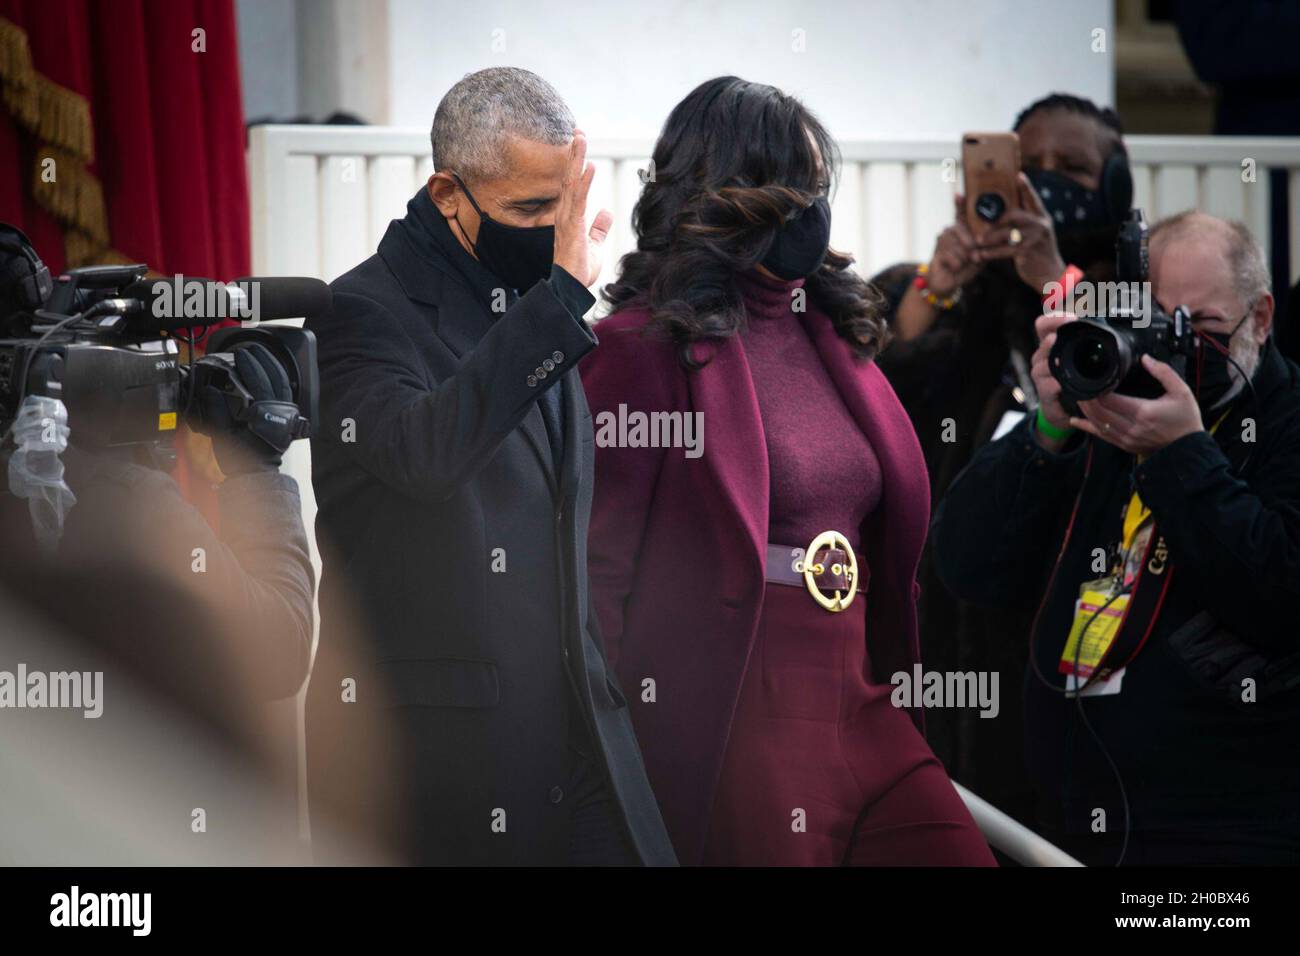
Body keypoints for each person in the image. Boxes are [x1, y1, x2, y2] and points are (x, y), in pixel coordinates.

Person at [580, 76, 995, 866]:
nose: (806, 207)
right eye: (786, 184)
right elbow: (597, 575)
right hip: (739, 709)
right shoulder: (639, 345)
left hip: (864, 692)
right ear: (720, 192)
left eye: (814, 185)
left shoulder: (837, 328)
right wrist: (605, 764)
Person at [304, 67, 675, 866]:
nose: (554, 232)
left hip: (582, 753)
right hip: (447, 770)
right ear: (447, 196)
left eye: (564, 204)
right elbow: (424, 453)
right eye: (531, 210)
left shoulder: (533, 301)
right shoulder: (359, 312)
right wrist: (560, 302)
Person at [931, 212, 1300, 865]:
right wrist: (1047, 427)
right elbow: (965, 566)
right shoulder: (1099, 403)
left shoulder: (1285, 424)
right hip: (1066, 822)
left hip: (1236, 834)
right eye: (1156, 326)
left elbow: (1281, 593)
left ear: (1262, 317)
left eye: (1203, 331)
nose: (1176, 352)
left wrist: (1179, 452)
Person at [869, 94, 1134, 824]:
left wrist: (1053, 273)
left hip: (1069, 619)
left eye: (1072, 169)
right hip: (946, 629)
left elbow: (1120, 369)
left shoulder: (1135, 292)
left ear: (1114, 188)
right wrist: (936, 283)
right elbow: (876, 383)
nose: (1045, 182)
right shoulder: (950, 294)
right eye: (1030, 166)